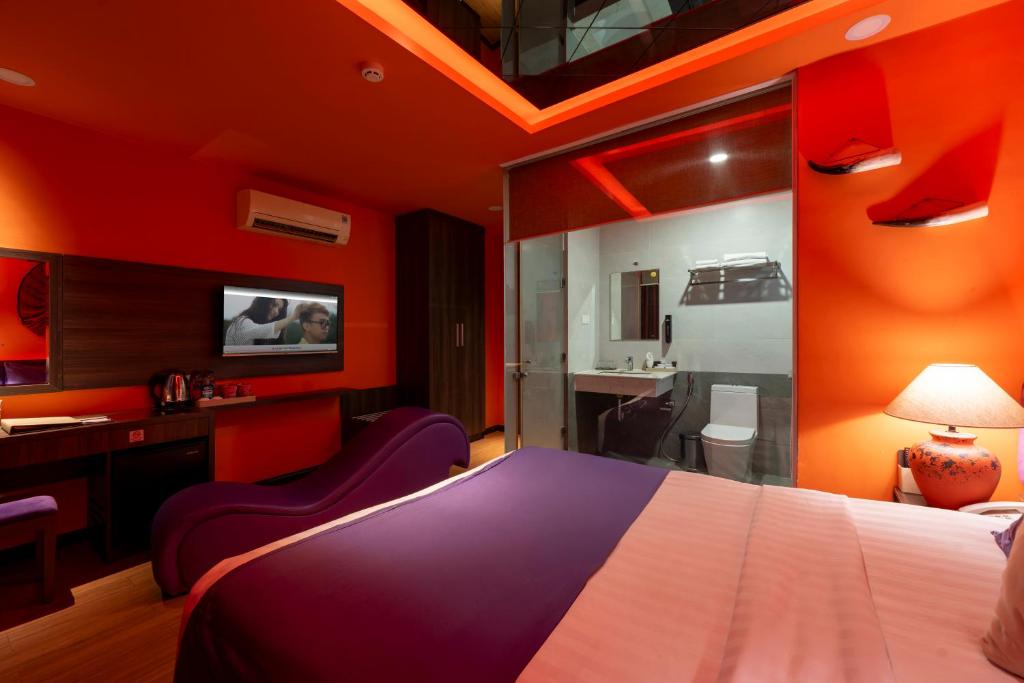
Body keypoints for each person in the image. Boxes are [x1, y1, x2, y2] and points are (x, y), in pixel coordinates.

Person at [225, 297, 307, 346]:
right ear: (262, 302)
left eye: (279, 310)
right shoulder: (241, 322)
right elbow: (262, 330)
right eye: (274, 305)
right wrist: (294, 316)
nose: (276, 312)